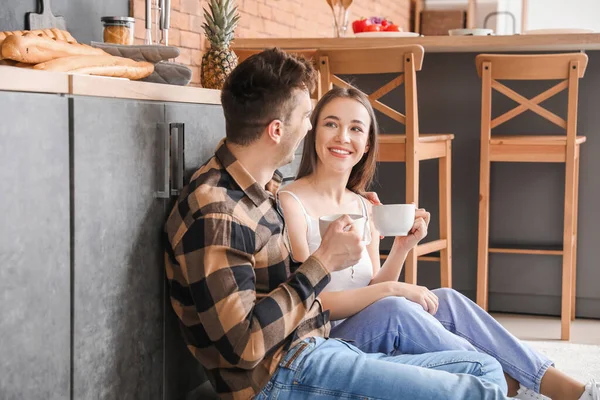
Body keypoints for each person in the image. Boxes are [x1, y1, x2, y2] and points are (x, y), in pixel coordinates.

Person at [164, 48, 512, 400]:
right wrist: (323, 262)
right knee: (479, 391)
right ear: (276, 130)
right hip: (280, 376)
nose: (311, 127)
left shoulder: (260, 189)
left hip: (314, 346)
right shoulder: (219, 213)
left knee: (486, 370)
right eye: (307, 117)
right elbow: (243, 345)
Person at [279, 86, 600, 400]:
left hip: (367, 322)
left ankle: (560, 387)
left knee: (444, 298)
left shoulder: (363, 206)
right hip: (325, 340)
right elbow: (308, 303)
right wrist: (393, 290)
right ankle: (502, 380)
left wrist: (402, 247)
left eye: (355, 129)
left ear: (366, 145)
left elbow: (374, 285)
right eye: (331, 124)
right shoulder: (292, 201)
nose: (342, 137)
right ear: (314, 132)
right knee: (394, 306)